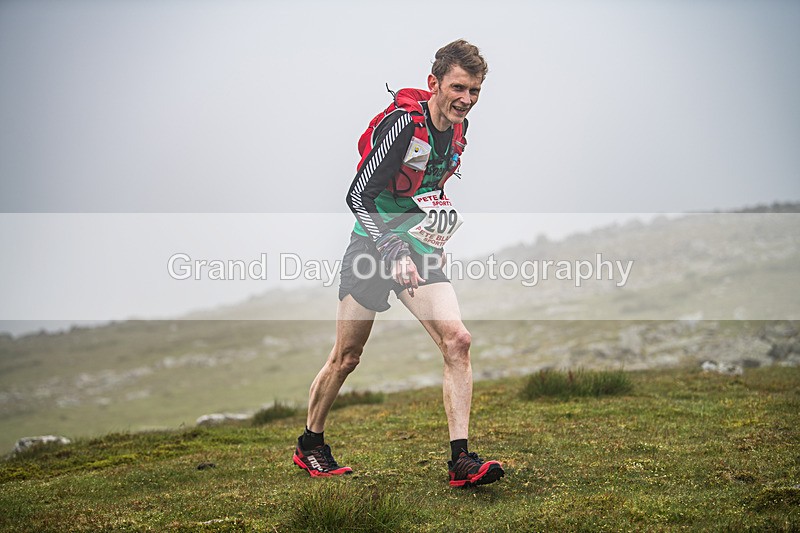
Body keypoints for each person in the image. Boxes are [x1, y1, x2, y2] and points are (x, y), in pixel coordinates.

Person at [292, 39, 504, 487]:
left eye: (475, 92)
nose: (466, 100)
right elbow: (357, 196)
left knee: (458, 340)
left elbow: (428, 187)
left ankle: (461, 461)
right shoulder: (402, 126)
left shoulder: (458, 131)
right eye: (459, 88)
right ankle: (311, 444)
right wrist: (391, 249)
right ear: (434, 83)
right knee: (347, 356)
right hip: (372, 247)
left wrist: (435, 234)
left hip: (419, 249)